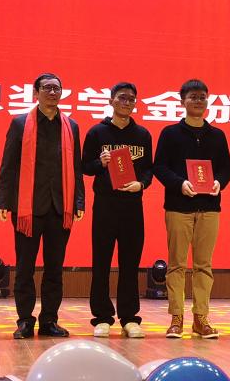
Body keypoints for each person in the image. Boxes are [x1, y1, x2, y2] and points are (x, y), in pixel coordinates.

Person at [0, 73, 85, 339]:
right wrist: (3, 201)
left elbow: (76, 168)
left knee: (54, 269)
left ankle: (49, 320)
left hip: (60, 207)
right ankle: (25, 320)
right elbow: (8, 165)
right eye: (47, 88)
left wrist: (79, 200)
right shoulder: (20, 123)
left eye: (57, 88)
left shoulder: (71, 126)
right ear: (36, 93)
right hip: (27, 209)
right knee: (25, 268)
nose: (52, 92)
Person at [152, 79, 230, 339]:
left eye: (202, 97)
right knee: (176, 264)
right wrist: (179, 184)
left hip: (210, 208)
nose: (199, 101)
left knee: (204, 265)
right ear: (182, 101)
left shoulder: (217, 135)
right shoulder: (170, 133)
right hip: (178, 207)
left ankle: (201, 318)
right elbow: (159, 167)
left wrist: (219, 182)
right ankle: (176, 318)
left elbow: (226, 168)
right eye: (193, 97)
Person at [81, 82, 154, 338]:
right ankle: (102, 317)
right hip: (105, 205)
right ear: (111, 100)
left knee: (130, 263)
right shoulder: (97, 132)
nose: (127, 102)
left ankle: (129, 318)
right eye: (122, 97)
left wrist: (141, 184)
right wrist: (99, 163)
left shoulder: (143, 134)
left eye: (131, 99)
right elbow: (84, 167)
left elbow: (148, 169)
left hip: (132, 206)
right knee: (101, 262)